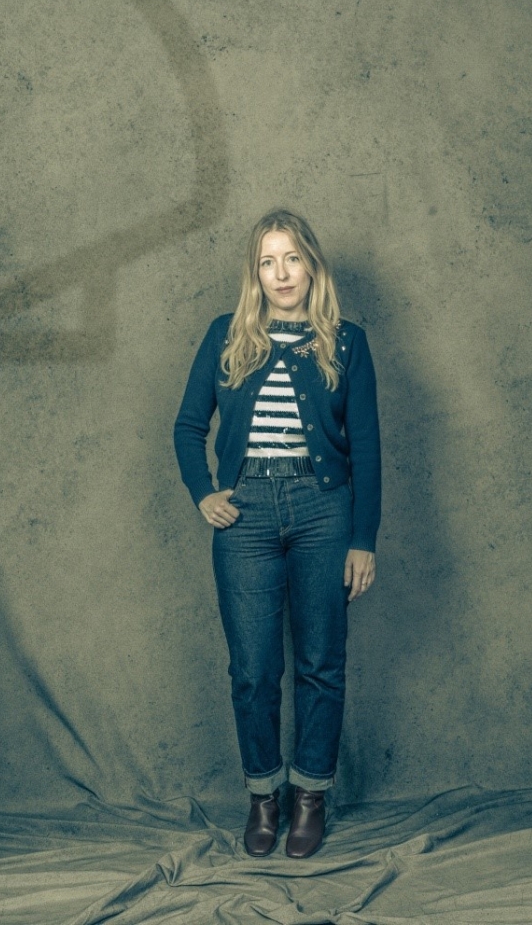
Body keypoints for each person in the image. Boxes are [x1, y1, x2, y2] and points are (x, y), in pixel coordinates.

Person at [174, 209, 381, 858]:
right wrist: (204, 492)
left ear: (311, 265)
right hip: (247, 516)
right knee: (253, 668)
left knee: (321, 662)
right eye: (268, 261)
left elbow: (367, 448)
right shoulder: (227, 335)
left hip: (324, 511)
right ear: (255, 273)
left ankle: (310, 796)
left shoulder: (346, 342)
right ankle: (264, 797)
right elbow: (188, 426)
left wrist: (363, 538)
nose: (281, 273)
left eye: (292, 258)